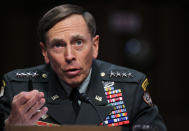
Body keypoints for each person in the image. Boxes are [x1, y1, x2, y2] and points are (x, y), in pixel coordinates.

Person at [0, 4, 167, 131]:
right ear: (45, 51)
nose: (69, 56)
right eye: (58, 45)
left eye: (78, 42)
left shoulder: (130, 88)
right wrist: (12, 127)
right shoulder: (18, 87)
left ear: (94, 46)